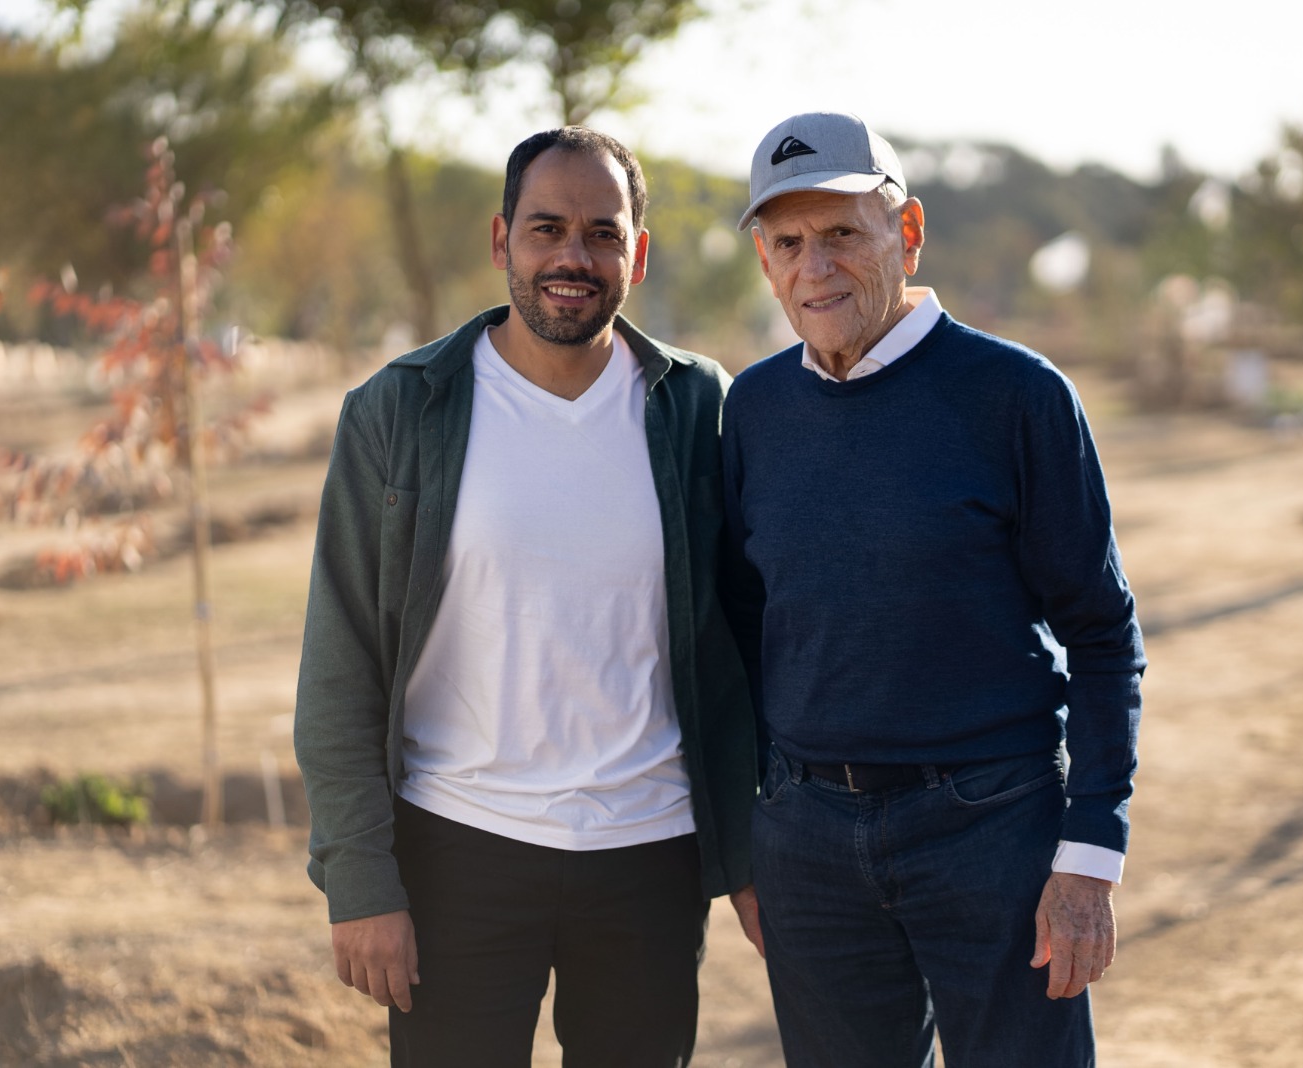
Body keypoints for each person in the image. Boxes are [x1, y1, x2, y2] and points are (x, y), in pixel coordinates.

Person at [293, 125, 758, 1068]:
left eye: (601, 233)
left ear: (637, 251)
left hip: (649, 855)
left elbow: (749, 642)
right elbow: (341, 660)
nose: (572, 258)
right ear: (501, 240)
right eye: (547, 229)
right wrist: (361, 881)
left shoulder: (697, 407)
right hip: (457, 850)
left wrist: (750, 853)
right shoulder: (400, 408)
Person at [720, 112, 1146, 1067]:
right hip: (808, 842)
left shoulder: (1019, 397)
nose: (813, 268)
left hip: (993, 832)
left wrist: (1087, 861)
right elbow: (746, 630)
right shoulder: (753, 410)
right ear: (764, 260)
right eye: (787, 243)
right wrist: (754, 841)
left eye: (841, 234)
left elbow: (1103, 631)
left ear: (906, 233)